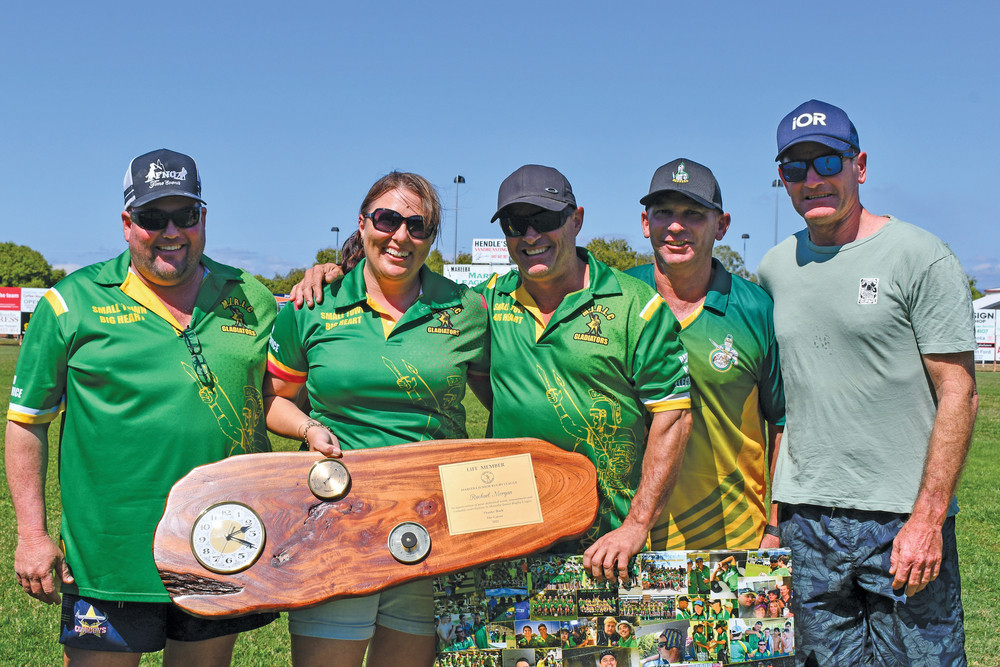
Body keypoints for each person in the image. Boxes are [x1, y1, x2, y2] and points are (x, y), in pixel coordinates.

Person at [292, 164, 692, 580]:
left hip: (609, 538)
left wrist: (636, 526)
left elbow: (675, 418)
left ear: (576, 220)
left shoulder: (635, 306)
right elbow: (403, 287)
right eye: (517, 224)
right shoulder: (486, 302)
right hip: (509, 528)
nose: (531, 236)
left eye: (546, 219)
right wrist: (334, 270)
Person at [4, 149, 278, 664]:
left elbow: (282, 392)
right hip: (109, 556)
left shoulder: (253, 297)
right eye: (154, 217)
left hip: (220, 541)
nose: (171, 231)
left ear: (204, 218)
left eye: (186, 215)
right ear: (128, 224)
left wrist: (330, 276)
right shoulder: (70, 303)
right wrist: (33, 535)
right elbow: (26, 425)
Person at [759, 99, 978, 665]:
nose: (812, 181)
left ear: (859, 165)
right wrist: (773, 516)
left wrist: (928, 518)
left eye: (828, 162)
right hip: (805, 521)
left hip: (899, 518)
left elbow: (960, 392)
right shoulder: (774, 270)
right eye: (795, 168)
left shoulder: (919, 257)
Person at [263, 171, 489, 667]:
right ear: (363, 223)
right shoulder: (313, 303)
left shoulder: (468, 308)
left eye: (418, 225)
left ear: (430, 237)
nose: (400, 236)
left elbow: (506, 396)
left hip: (438, 521)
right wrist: (307, 429)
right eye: (387, 219)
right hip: (336, 518)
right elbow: (274, 400)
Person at [625, 158, 785, 552]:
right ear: (646, 223)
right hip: (627, 540)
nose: (676, 226)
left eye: (694, 213)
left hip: (734, 540)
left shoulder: (756, 308)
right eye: (663, 212)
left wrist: (777, 526)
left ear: (722, 225)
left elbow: (783, 423)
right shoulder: (618, 296)